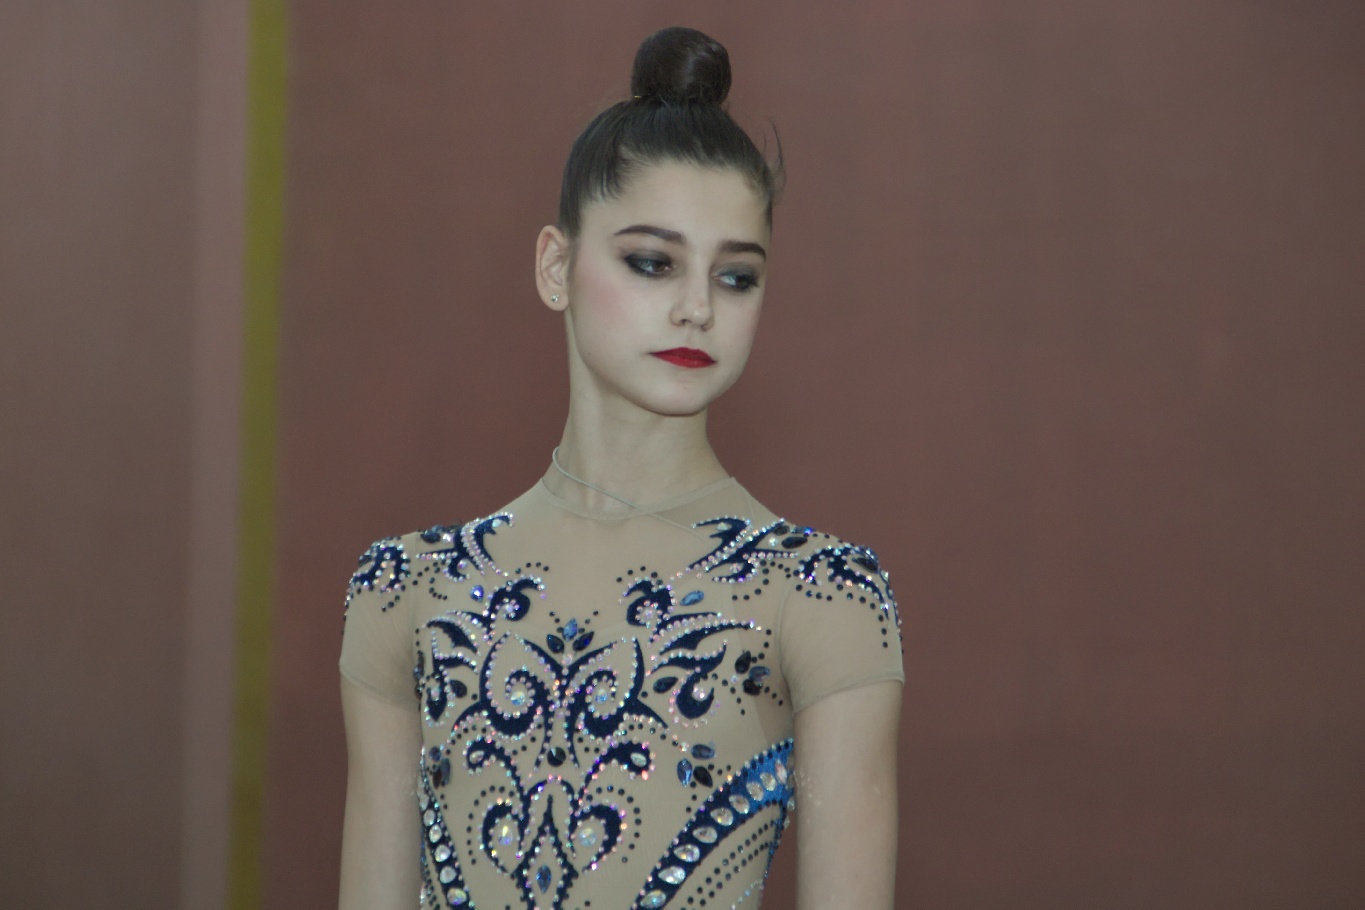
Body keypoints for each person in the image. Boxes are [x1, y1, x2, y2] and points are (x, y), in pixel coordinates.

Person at [338, 26, 903, 910]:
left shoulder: (821, 596)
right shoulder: (405, 591)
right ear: (555, 266)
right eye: (651, 263)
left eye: (736, 277)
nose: (695, 308)